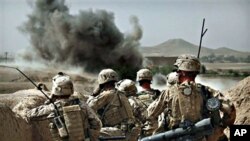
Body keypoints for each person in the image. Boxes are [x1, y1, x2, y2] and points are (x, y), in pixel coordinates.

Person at [147, 54, 236, 141]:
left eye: (178, 71)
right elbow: (230, 109)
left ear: (182, 72)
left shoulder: (169, 92)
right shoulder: (206, 91)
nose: (177, 73)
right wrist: (220, 127)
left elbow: (151, 112)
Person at [27, 72, 102, 141]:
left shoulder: (53, 107)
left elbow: (30, 115)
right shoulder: (82, 104)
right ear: (71, 89)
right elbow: (97, 123)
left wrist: (50, 101)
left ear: (56, 90)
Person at [87, 69, 140, 141]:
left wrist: (93, 94)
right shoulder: (121, 94)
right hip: (131, 132)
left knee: (89, 133)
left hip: (119, 133)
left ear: (102, 82)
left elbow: (89, 107)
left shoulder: (107, 94)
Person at [136, 68, 161, 136]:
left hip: (144, 130)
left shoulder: (135, 97)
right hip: (159, 128)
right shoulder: (159, 94)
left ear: (139, 81)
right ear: (150, 80)